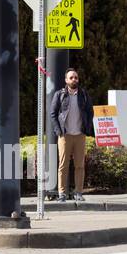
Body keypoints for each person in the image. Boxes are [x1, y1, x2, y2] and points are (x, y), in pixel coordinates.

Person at [48, 68, 94, 202]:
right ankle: (62, 193)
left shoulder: (84, 94)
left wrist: (86, 128)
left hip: (80, 135)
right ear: (66, 80)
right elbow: (53, 114)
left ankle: (78, 192)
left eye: (76, 77)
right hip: (65, 135)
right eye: (71, 77)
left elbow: (90, 112)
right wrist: (59, 132)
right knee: (63, 165)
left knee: (80, 165)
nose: (74, 79)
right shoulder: (60, 94)